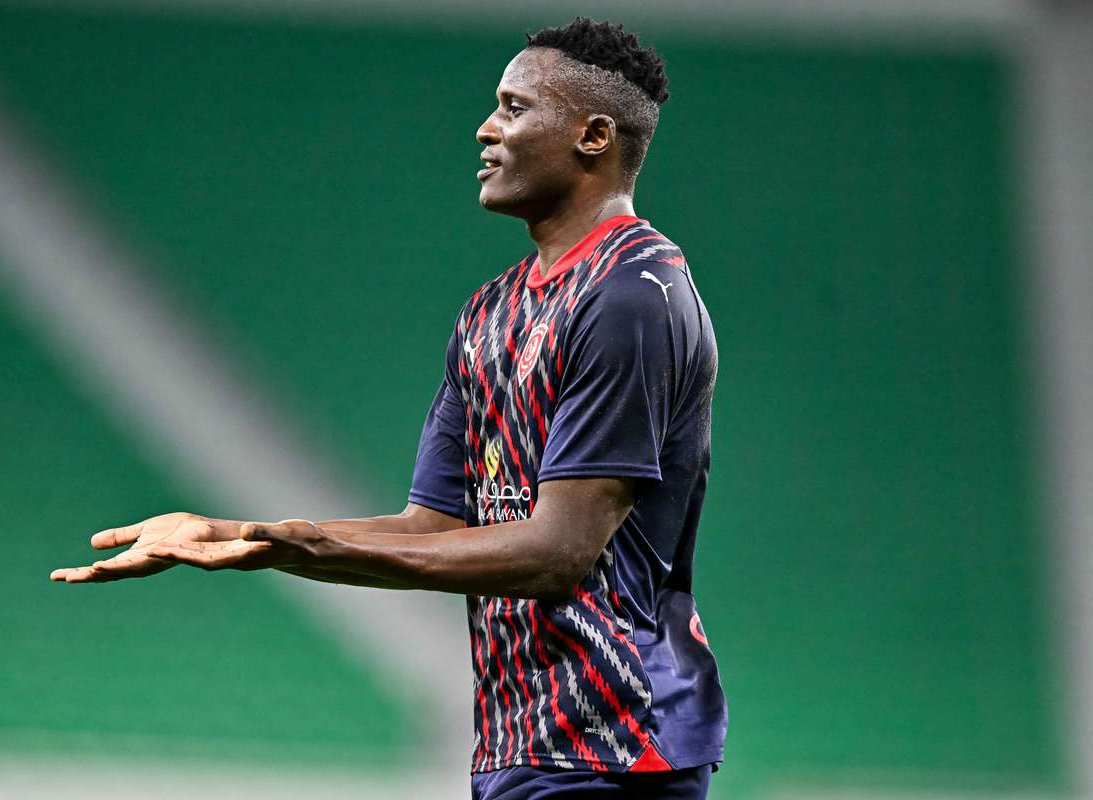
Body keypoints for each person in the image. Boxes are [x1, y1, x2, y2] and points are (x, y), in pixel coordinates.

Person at [50, 16, 727, 800]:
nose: (486, 129)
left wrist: (308, 550)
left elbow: (558, 552)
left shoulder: (632, 295)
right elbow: (431, 528)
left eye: (513, 108)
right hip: (524, 744)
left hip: (618, 743)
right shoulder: (490, 312)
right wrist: (237, 534)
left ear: (594, 135)